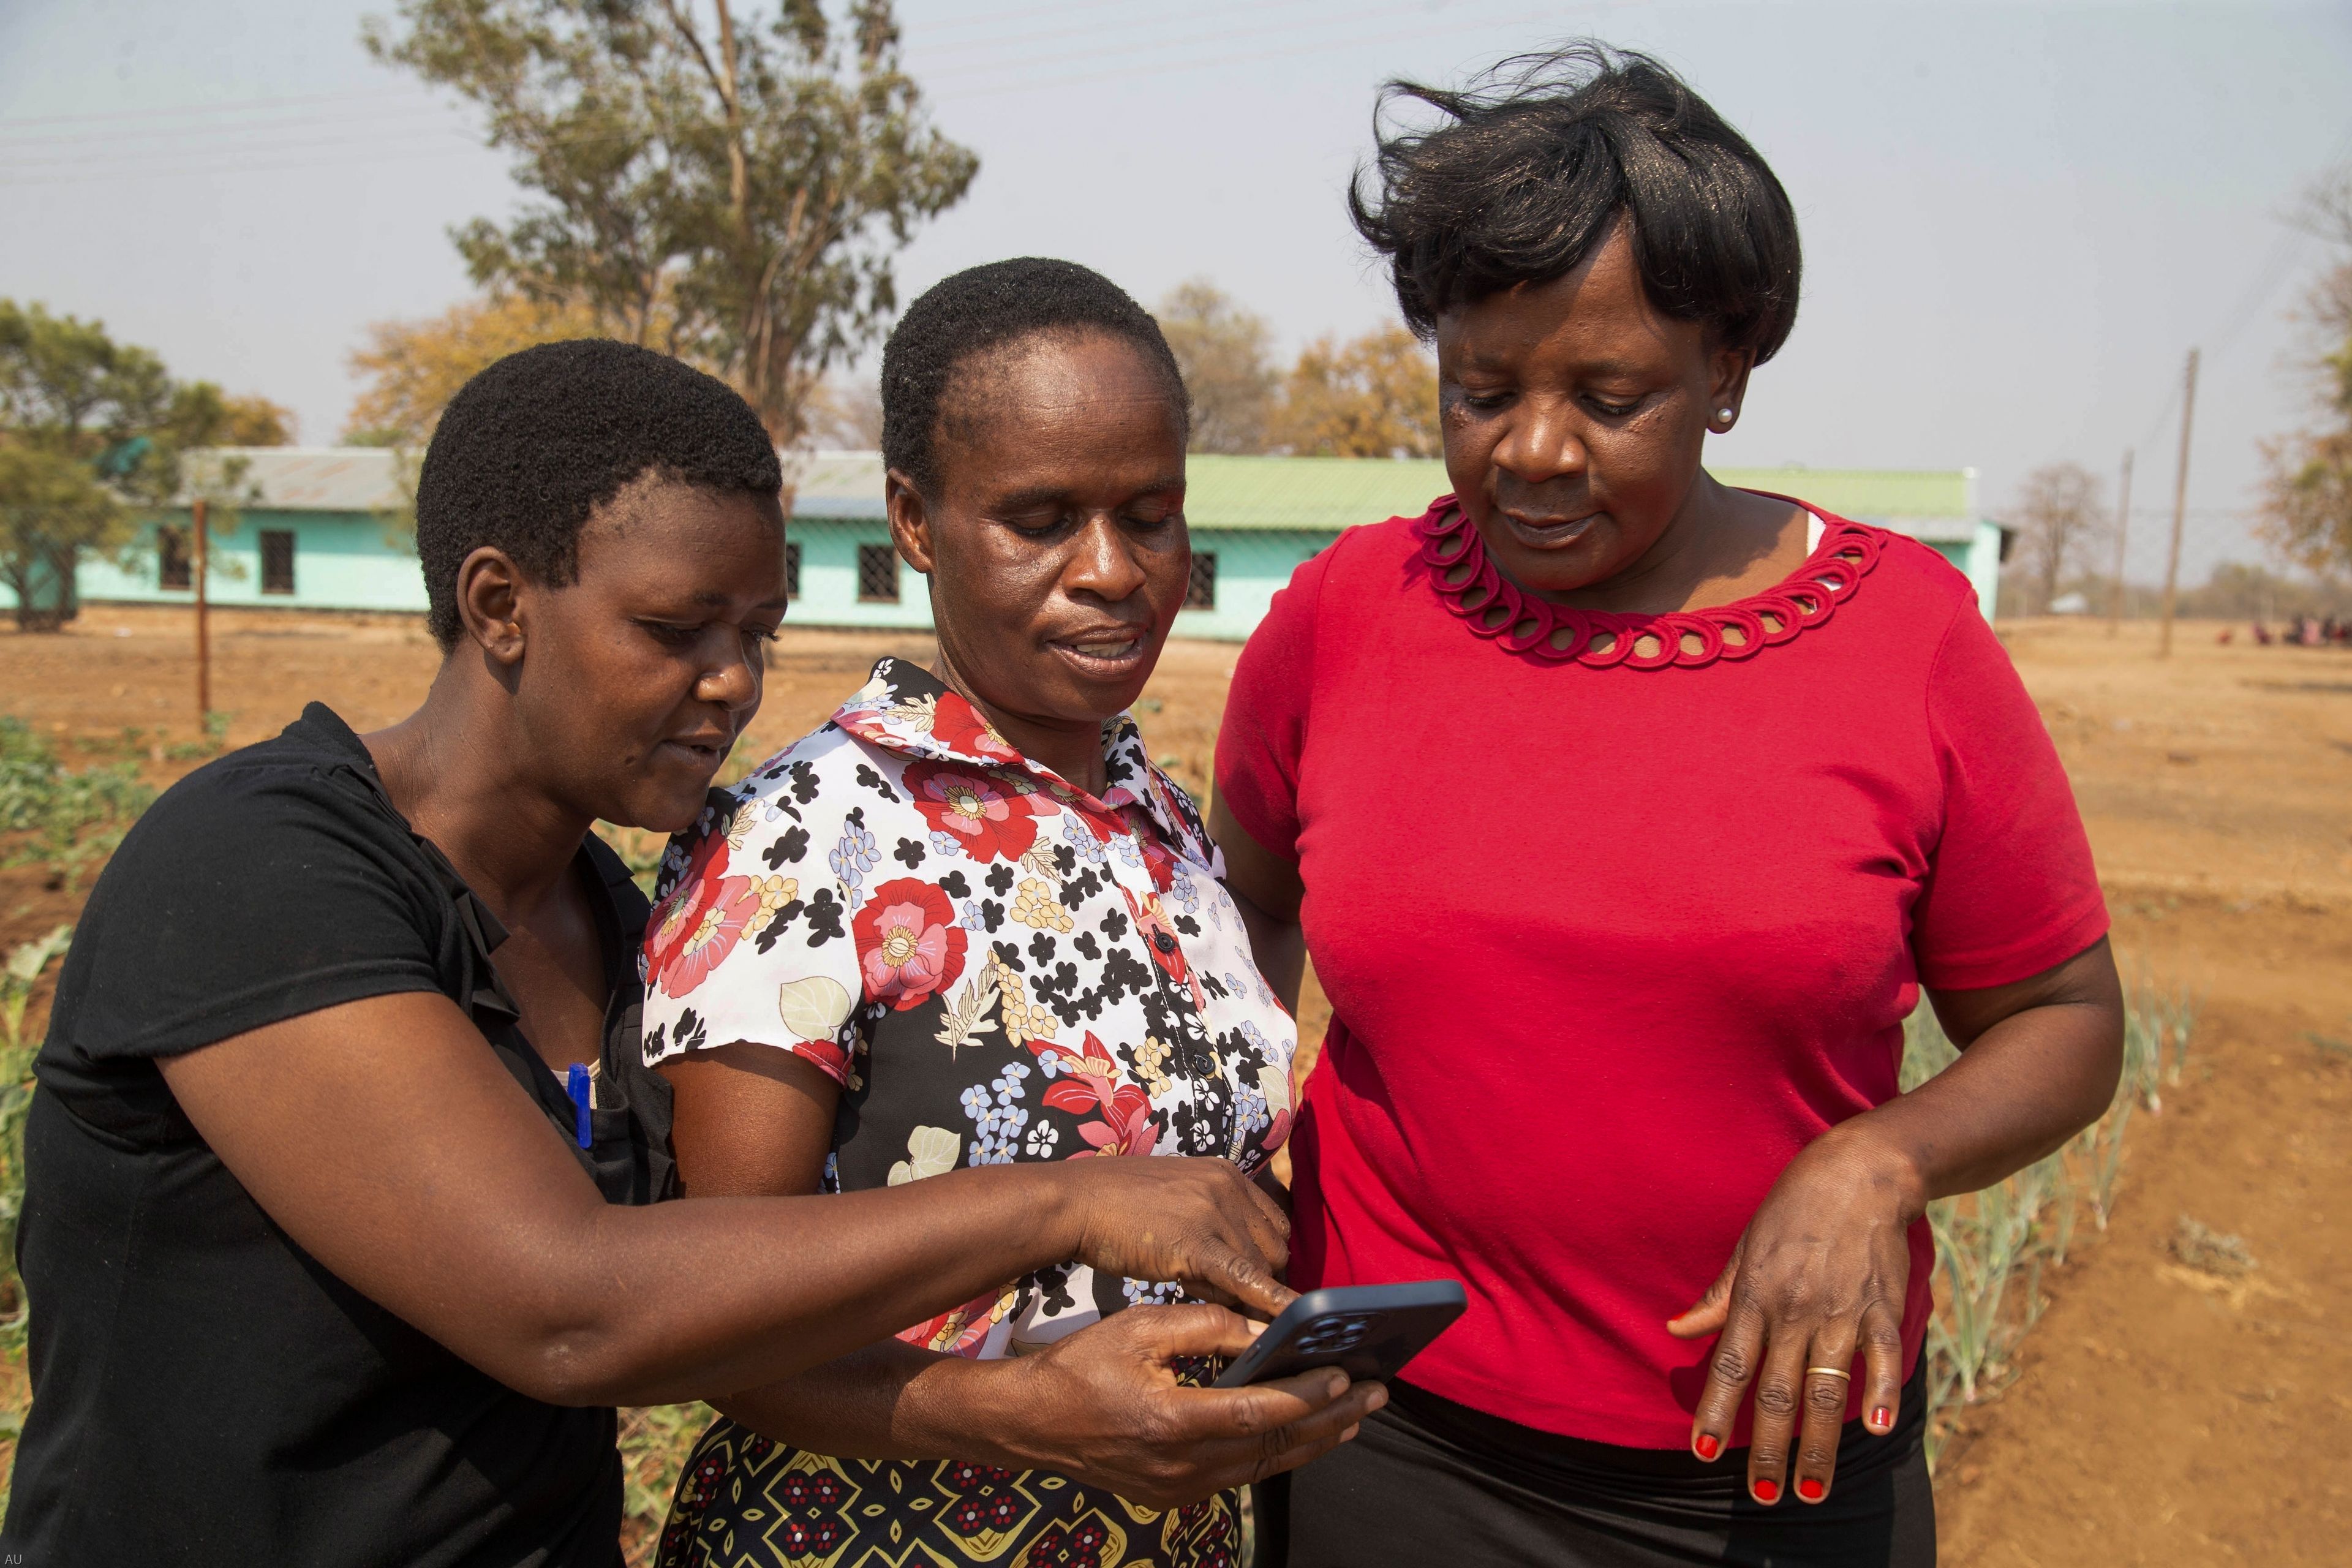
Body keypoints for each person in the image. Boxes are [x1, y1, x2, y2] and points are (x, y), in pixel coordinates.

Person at [4, 339, 1349, 1568]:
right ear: (499, 602)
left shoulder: (603, 906)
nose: (732, 683)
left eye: (755, 634)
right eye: (674, 629)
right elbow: (570, 1310)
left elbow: (719, 1285)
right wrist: (1067, 1200)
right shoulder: (263, 865)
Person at [1211, 48, 2125, 1566]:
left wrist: (1876, 1160)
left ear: (1729, 372)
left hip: (1774, 1460)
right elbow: (1237, 921)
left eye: (1610, 396)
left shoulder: (1907, 638)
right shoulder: (1347, 618)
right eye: (1482, 390)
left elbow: (2065, 1018)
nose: (1536, 451)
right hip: (1390, 1441)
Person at [640, 257, 1362, 1568]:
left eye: (1151, 514)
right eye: (1040, 519)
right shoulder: (810, 836)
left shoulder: (1167, 825)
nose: (1111, 570)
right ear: (915, 520)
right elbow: (710, 1309)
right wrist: (1021, 1415)